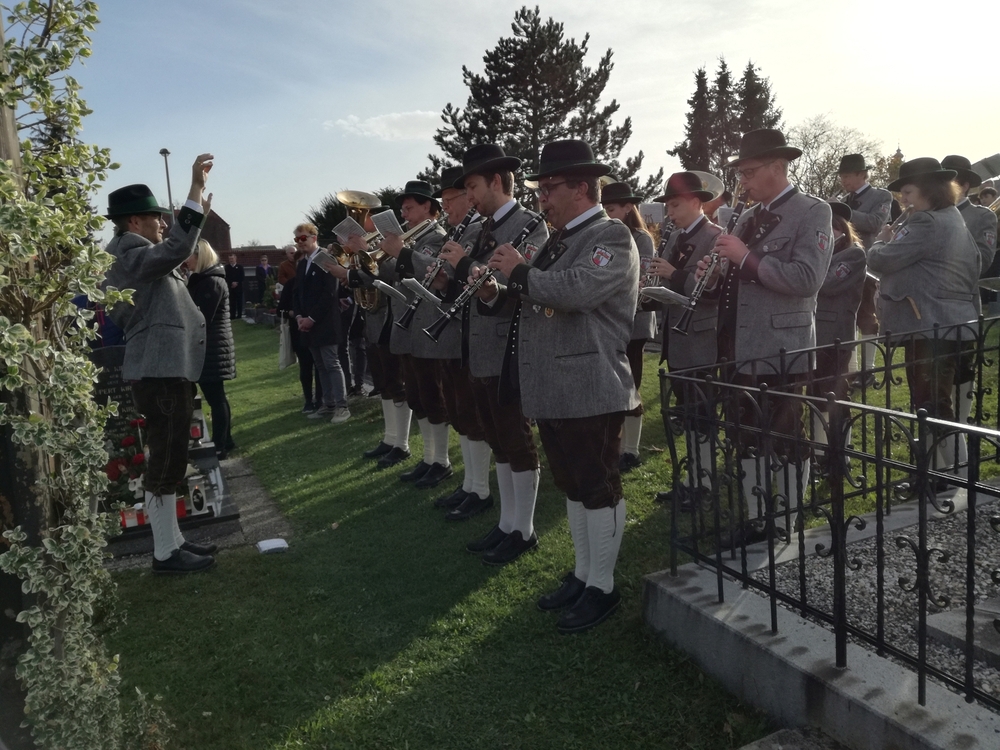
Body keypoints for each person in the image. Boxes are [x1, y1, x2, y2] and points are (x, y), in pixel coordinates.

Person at [478, 139, 639, 633]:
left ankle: (603, 587)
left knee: (598, 486)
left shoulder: (611, 236)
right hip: (556, 384)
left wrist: (520, 272)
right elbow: (532, 295)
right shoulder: (560, 238)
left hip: (590, 384)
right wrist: (496, 287)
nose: (541, 198)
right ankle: (584, 574)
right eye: (540, 189)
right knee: (572, 485)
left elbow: (577, 290)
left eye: (549, 188)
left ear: (581, 188)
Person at [699, 128, 833, 547]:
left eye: (750, 172)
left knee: (787, 437)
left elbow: (807, 278)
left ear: (778, 166)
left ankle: (786, 521)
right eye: (740, 173)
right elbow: (738, 280)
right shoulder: (745, 217)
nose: (743, 182)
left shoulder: (813, 211)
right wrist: (716, 274)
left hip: (782, 347)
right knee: (745, 435)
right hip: (739, 345)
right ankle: (758, 519)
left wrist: (746, 257)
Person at [102, 153, 217, 574]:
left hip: (165, 369)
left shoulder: (134, 254)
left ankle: (174, 541)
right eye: (155, 217)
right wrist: (194, 191)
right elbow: (178, 248)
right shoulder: (129, 253)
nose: (162, 224)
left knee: (171, 456)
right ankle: (165, 552)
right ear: (134, 222)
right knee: (166, 460)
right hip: (159, 370)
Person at [439, 144, 548, 563]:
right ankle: (507, 523)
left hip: (509, 346)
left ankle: (525, 529)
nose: (468, 197)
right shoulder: (482, 226)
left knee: (516, 439)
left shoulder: (530, 225)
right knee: (498, 439)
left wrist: (465, 264)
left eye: (472, 187)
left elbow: (522, 286)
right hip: (480, 345)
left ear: (496, 182)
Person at [867, 157, 980, 481]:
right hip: (949, 323)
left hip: (930, 326)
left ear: (928, 190)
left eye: (908, 191)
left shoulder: (926, 223)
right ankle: (937, 475)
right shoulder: (953, 218)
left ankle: (963, 482)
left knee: (934, 406)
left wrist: (882, 239)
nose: (903, 199)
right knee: (930, 405)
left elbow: (880, 260)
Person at [648, 172, 722, 507]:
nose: (670, 212)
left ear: (696, 202)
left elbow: (709, 290)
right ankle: (692, 479)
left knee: (701, 414)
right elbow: (669, 284)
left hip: (701, 340)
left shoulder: (715, 237)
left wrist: (673, 274)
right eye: (668, 206)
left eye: (675, 205)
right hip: (676, 338)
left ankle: (703, 483)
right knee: (687, 412)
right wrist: (650, 289)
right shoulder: (675, 237)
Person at [376, 181, 449, 485]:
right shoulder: (412, 239)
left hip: (427, 326)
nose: (404, 215)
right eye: (403, 209)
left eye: (409, 208)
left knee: (433, 397)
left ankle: (441, 460)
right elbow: (391, 273)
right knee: (418, 397)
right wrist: (370, 255)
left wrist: (400, 252)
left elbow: (430, 273)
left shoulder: (437, 237)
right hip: (407, 327)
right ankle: (429, 457)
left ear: (428, 207)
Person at [601, 182, 656, 473]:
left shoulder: (641, 238)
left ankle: (631, 450)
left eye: (611, 209)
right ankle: (617, 444)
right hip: (612, 321)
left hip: (635, 322)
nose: (607, 214)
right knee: (616, 386)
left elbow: (641, 280)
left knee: (631, 383)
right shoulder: (606, 234)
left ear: (627, 208)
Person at [810, 201, 866, 466]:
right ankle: (820, 452)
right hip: (813, 334)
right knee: (815, 395)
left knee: (834, 396)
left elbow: (829, 284)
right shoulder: (821, 253)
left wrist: (808, 265)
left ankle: (840, 453)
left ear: (840, 228)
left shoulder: (853, 255)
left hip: (835, 336)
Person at [837, 154, 892, 384]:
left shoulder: (881, 195)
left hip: (868, 262)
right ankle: (851, 371)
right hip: (843, 263)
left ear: (862, 174)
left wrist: (842, 212)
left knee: (867, 315)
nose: (844, 180)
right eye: (842, 176)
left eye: (848, 175)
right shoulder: (844, 199)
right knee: (847, 315)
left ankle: (868, 370)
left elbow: (874, 223)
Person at [292, 222, 351, 424]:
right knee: (320, 365)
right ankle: (328, 404)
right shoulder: (302, 264)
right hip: (307, 324)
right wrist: (299, 317)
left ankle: (342, 406)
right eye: (297, 239)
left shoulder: (326, 259)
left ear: (314, 238)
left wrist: (312, 318)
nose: (300, 242)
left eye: (303, 238)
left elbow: (329, 293)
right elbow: (297, 293)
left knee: (331, 363)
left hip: (325, 322)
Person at [184, 239, 236, 459]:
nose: (186, 260)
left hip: (212, 347)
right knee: (216, 396)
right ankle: (226, 440)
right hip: (209, 345)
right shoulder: (203, 280)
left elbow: (202, 316)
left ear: (200, 256)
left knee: (216, 398)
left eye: (189, 255)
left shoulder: (211, 282)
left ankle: (220, 444)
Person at [277, 247, 323, 412]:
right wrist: (295, 314)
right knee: (305, 366)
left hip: (316, 328)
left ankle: (320, 398)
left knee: (319, 366)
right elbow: (280, 310)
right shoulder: (291, 284)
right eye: (299, 262)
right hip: (299, 330)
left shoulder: (316, 281)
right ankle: (308, 400)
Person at [225, 254, 245, 320]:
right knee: (232, 302)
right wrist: (231, 282)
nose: (231, 260)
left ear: (235, 259)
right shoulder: (226, 267)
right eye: (230, 259)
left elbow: (242, 277)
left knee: (239, 302)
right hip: (231, 288)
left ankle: (239, 315)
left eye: (232, 258)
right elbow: (226, 277)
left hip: (239, 288)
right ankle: (232, 315)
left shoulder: (240, 267)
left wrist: (237, 283)